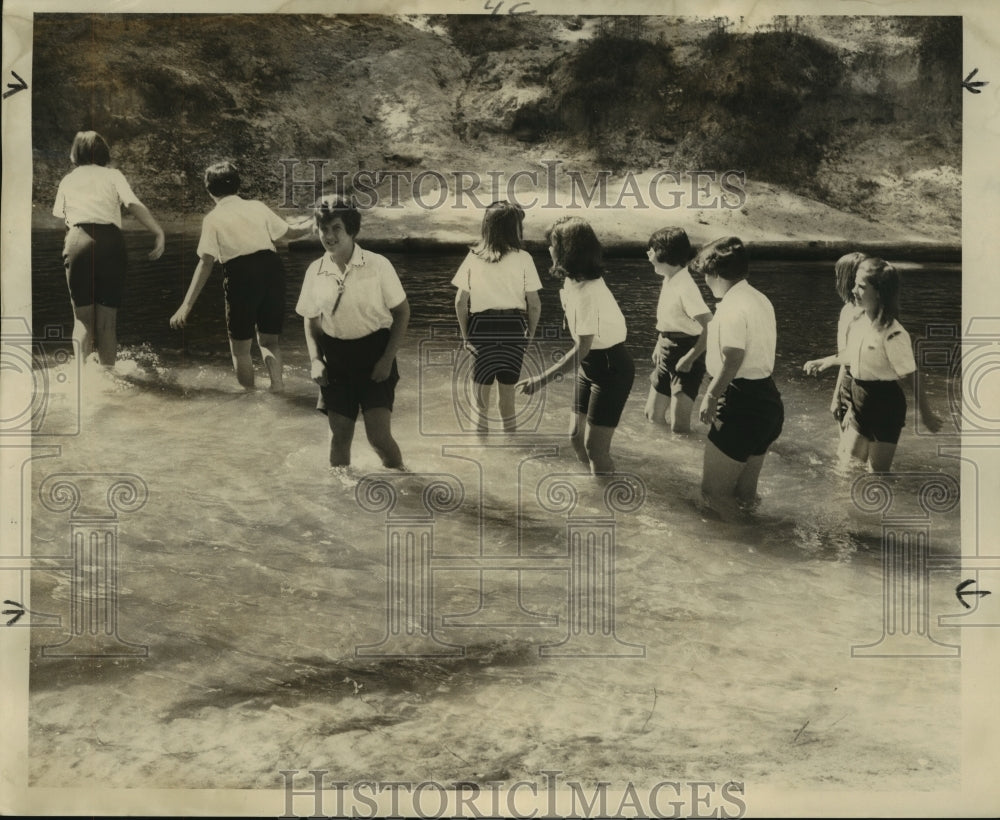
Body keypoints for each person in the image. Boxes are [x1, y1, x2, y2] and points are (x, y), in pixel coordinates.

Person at [169, 161, 314, 391]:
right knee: (269, 341)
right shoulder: (257, 206)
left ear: (209, 190)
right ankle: (278, 386)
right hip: (272, 269)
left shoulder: (212, 219)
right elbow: (289, 233)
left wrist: (186, 306)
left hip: (241, 274)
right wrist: (312, 225)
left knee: (240, 349)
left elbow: (205, 263)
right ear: (238, 185)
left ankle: (250, 397)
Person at [296, 196, 410, 469]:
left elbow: (402, 313)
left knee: (378, 437)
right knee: (339, 437)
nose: (329, 236)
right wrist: (315, 360)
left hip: (375, 354)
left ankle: (407, 483)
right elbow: (311, 321)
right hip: (335, 359)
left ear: (351, 229)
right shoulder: (315, 271)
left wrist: (386, 360)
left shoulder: (378, 265)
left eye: (336, 228)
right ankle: (338, 500)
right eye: (323, 229)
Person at [517, 216, 634, 476]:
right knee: (575, 438)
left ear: (567, 251)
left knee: (596, 449)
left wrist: (541, 379)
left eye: (553, 245)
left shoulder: (587, 293)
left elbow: (582, 348)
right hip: (591, 366)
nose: (549, 249)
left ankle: (609, 501)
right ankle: (595, 485)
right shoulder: (573, 280)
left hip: (611, 368)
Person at [52, 130, 165, 367]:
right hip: (110, 243)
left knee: (82, 321)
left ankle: (82, 382)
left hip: (77, 241)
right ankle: (109, 378)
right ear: (103, 152)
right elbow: (132, 203)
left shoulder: (68, 179)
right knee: (107, 323)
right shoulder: (113, 175)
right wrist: (157, 231)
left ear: (76, 153)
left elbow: (62, 217)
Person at [819, 257, 942, 471]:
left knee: (877, 475)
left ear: (878, 292)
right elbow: (853, 356)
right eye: (855, 284)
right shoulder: (858, 321)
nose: (854, 290)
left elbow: (912, 374)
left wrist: (926, 413)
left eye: (861, 286)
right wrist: (827, 361)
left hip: (885, 405)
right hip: (860, 397)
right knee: (848, 468)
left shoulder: (893, 333)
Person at [693, 236, 783, 521]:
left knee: (714, 493)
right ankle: (756, 544)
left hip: (739, 401)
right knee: (744, 496)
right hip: (767, 401)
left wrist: (711, 396)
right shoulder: (760, 298)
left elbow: (733, 357)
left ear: (716, 274)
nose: (705, 281)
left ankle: (739, 552)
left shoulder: (731, 307)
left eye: (706, 275)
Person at [452, 201, 542, 433]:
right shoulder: (524, 258)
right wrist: (529, 334)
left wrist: (465, 336)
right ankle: (510, 448)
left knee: (479, 403)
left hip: (481, 328)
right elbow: (534, 305)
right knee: (508, 402)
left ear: (487, 226)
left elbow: (461, 302)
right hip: (513, 327)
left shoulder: (474, 257)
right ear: (515, 228)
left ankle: (480, 452)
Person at [642, 227, 712, 434]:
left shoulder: (685, 286)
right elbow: (667, 320)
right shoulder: (669, 279)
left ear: (664, 253)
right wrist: (659, 344)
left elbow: (711, 325)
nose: (649, 256)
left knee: (679, 426)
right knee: (652, 415)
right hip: (666, 347)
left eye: (652, 250)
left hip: (688, 349)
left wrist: (690, 358)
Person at [802, 252, 868, 429]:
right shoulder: (874, 310)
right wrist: (837, 396)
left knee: (848, 452)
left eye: (838, 275)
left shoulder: (849, 312)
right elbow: (846, 357)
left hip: (855, 385)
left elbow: (846, 359)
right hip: (864, 386)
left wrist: (837, 398)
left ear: (845, 279)